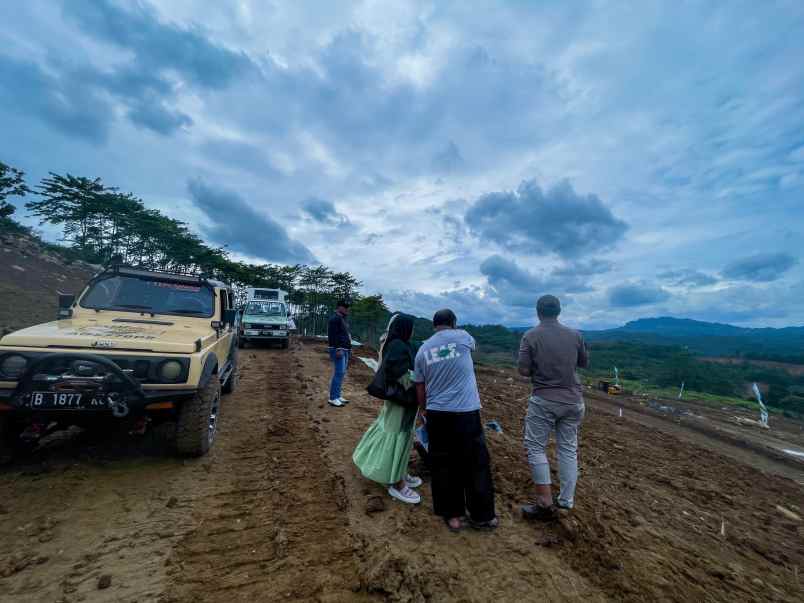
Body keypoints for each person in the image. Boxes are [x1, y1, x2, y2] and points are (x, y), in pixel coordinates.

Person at [413, 309, 497, 532]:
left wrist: (424, 411)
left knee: (443, 464)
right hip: (466, 412)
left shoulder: (422, 350)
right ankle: (482, 515)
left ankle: (453, 516)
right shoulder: (463, 337)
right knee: (476, 463)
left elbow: (419, 386)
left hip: (438, 413)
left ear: (434, 325)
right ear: (453, 322)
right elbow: (470, 347)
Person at [518, 295, 589, 520]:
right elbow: (583, 362)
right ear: (559, 311)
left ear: (538, 311)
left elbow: (523, 370)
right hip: (574, 400)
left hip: (545, 399)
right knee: (568, 449)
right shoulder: (575, 335)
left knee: (535, 447)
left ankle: (544, 502)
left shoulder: (530, 336)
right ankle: (566, 501)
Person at [352, 314, 423, 504]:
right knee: (395, 435)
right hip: (401, 400)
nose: (413, 331)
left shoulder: (397, 343)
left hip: (402, 400)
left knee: (401, 434)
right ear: (404, 328)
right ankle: (395, 483)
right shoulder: (397, 345)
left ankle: (399, 472)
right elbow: (398, 373)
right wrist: (416, 387)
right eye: (411, 328)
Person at [327, 300, 352, 407]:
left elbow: (345, 335)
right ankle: (333, 398)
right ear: (339, 308)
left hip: (345, 349)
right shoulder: (335, 319)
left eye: (347, 307)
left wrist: (349, 348)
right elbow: (332, 336)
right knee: (338, 373)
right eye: (345, 307)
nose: (347, 309)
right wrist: (338, 349)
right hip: (338, 349)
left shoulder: (342, 319)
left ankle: (337, 395)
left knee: (341, 373)